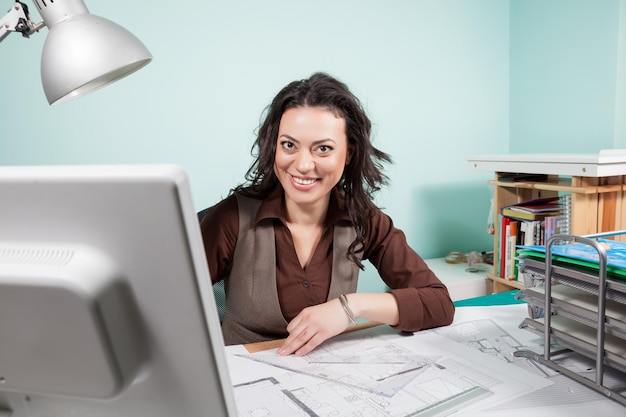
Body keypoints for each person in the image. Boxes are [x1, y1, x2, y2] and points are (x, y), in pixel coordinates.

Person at [200, 72, 454, 356]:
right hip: (241, 379)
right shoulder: (230, 218)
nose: (303, 164)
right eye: (289, 145)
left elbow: (439, 303)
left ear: (348, 153)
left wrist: (350, 306)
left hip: (328, 380)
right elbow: (166, 304)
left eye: (323, 149)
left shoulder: (363, 218)